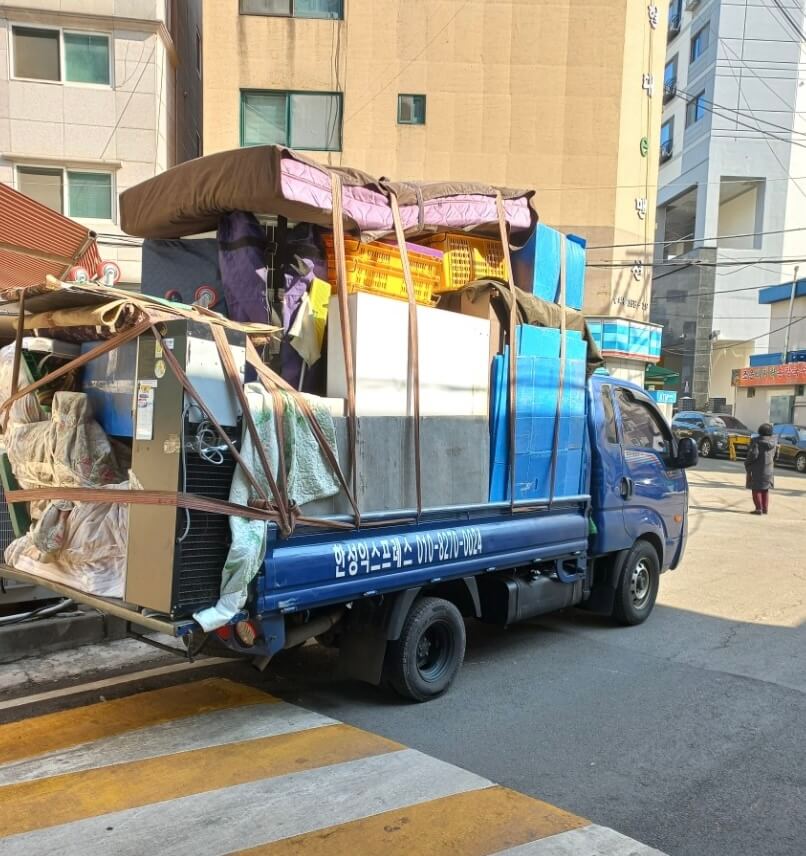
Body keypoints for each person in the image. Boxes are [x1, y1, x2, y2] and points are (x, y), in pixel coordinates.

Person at [744, 423, 777, 515]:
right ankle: (765, 508)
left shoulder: (756, 442)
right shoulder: (774, 442)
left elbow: (753, 455)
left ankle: (758, 509)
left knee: (756, 489)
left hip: (757, 469)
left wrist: (747, 463)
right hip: (769, 469)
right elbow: (776, 456)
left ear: (760, 431)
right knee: (765, 489)